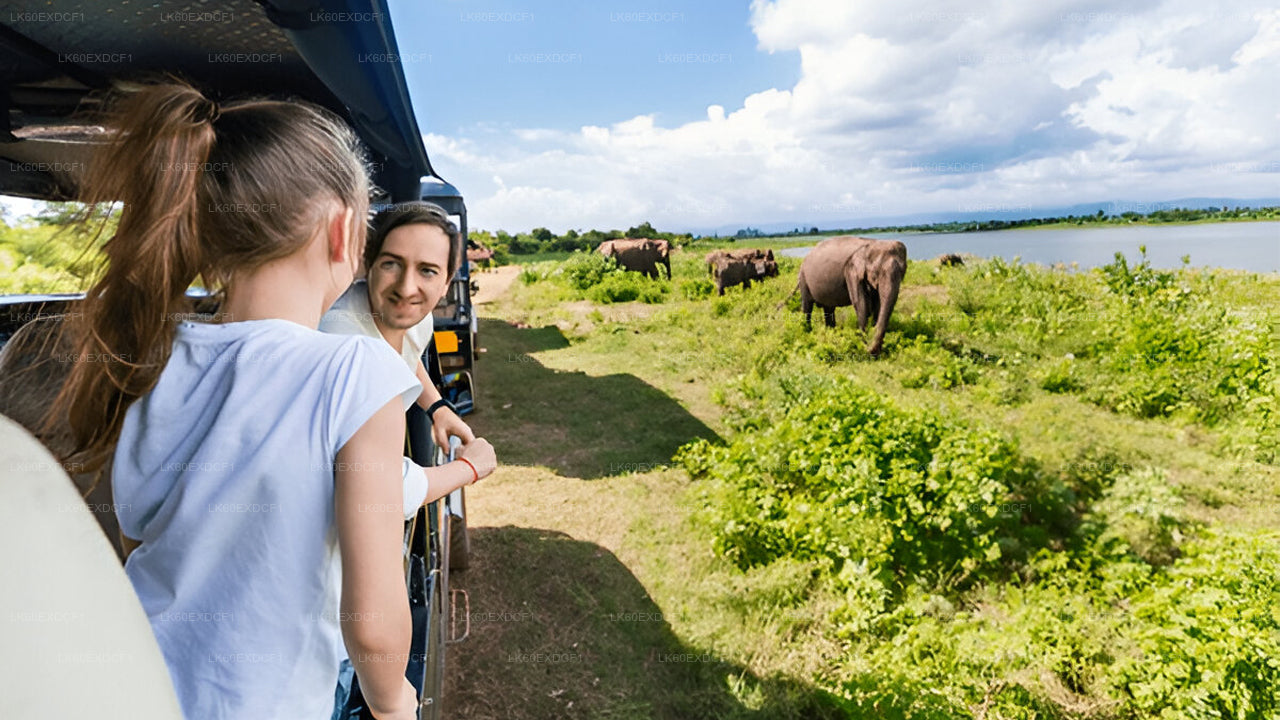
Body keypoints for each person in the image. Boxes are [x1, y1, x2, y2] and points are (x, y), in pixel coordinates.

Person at [46, 81, 419, 720]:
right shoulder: (356, 371)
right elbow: (372, 618)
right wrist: (394, 704)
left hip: (132, 686)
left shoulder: (152, 353)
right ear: (344, 231)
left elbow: (140, 538)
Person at [319, 202, 494, 514]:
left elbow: (408, 356)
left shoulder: (415, 319)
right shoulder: (344, 347)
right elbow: (380, 494)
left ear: (446, 284)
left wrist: (438, 407)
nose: (406, 287)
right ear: (367, 264)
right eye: (391, 264)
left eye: (427, 270)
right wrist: (470, 467)